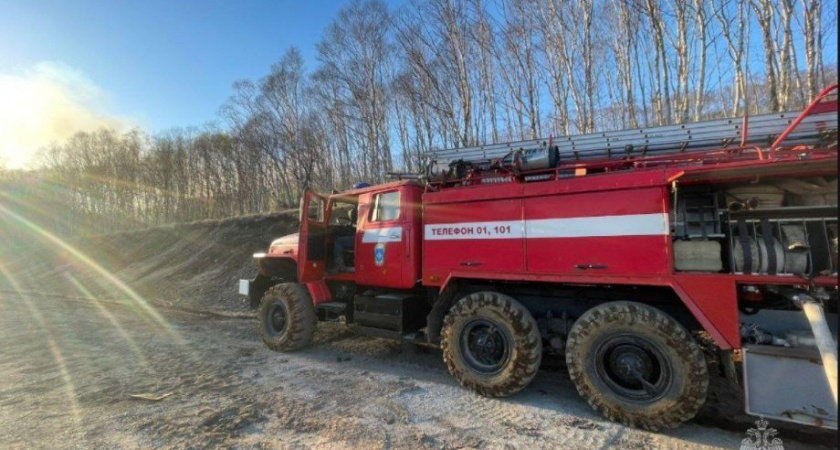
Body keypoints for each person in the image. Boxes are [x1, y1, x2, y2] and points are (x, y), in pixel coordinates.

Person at [333, 207, 357, 272]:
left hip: (357, 239)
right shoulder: (356, 222)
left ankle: (340, 266)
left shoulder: (357, 222)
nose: (351, 215)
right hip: (358, 238)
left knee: (338, 241)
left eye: (352, 214)